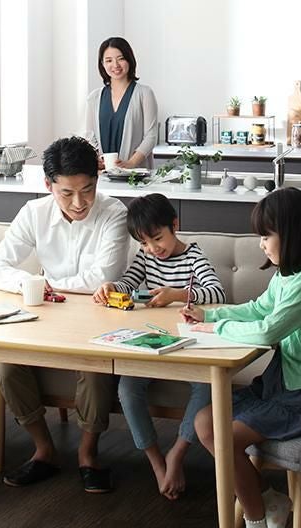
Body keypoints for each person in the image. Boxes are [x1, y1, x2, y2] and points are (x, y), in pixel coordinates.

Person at [180, 187, 301, 528]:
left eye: (265, 235)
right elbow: (258, 309)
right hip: (280, 385)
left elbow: (268, 330)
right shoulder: (287, 276)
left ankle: (255, 521)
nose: (260, 244)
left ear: (291, 235)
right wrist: (209, 314)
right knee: (205, 422)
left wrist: (216, 329)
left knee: (224, 435)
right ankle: (270, 500)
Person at [0, 136, 129, 493]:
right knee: (6, 364)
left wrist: (46, 284)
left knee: (94, 366)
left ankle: (87, 454)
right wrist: (29, 283)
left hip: (98, 317)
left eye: (87, 190)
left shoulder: (115, 213)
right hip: (46, 318)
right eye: (67, 193)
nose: (79, 203)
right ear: (48, 185)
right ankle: (44, 449)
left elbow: (102, 278)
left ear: (97, 180)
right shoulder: (34, 213)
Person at [93, 193, 226, 500]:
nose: (153, 248)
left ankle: (177, 454)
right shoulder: (146, 258)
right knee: (127, 388)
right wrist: (111, 287)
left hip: (189, 345)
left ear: (174, 226)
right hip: (152, 343)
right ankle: (156, 461)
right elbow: (128, 282)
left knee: (206, 386)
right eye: (144, 243)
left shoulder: (193, 256)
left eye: (157, 238)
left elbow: (217, 293)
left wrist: (176, 294)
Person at [85, 37, 158, 170]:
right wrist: (95, 159)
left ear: (129, 60)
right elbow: (90, 137)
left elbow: (151, 136)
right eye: (109, 60)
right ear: (102, 64)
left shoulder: (144, 93)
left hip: (135, 173)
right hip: (104, 173)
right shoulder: (94, 98)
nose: (115, 65)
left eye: (121, 58)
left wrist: (131, 163)